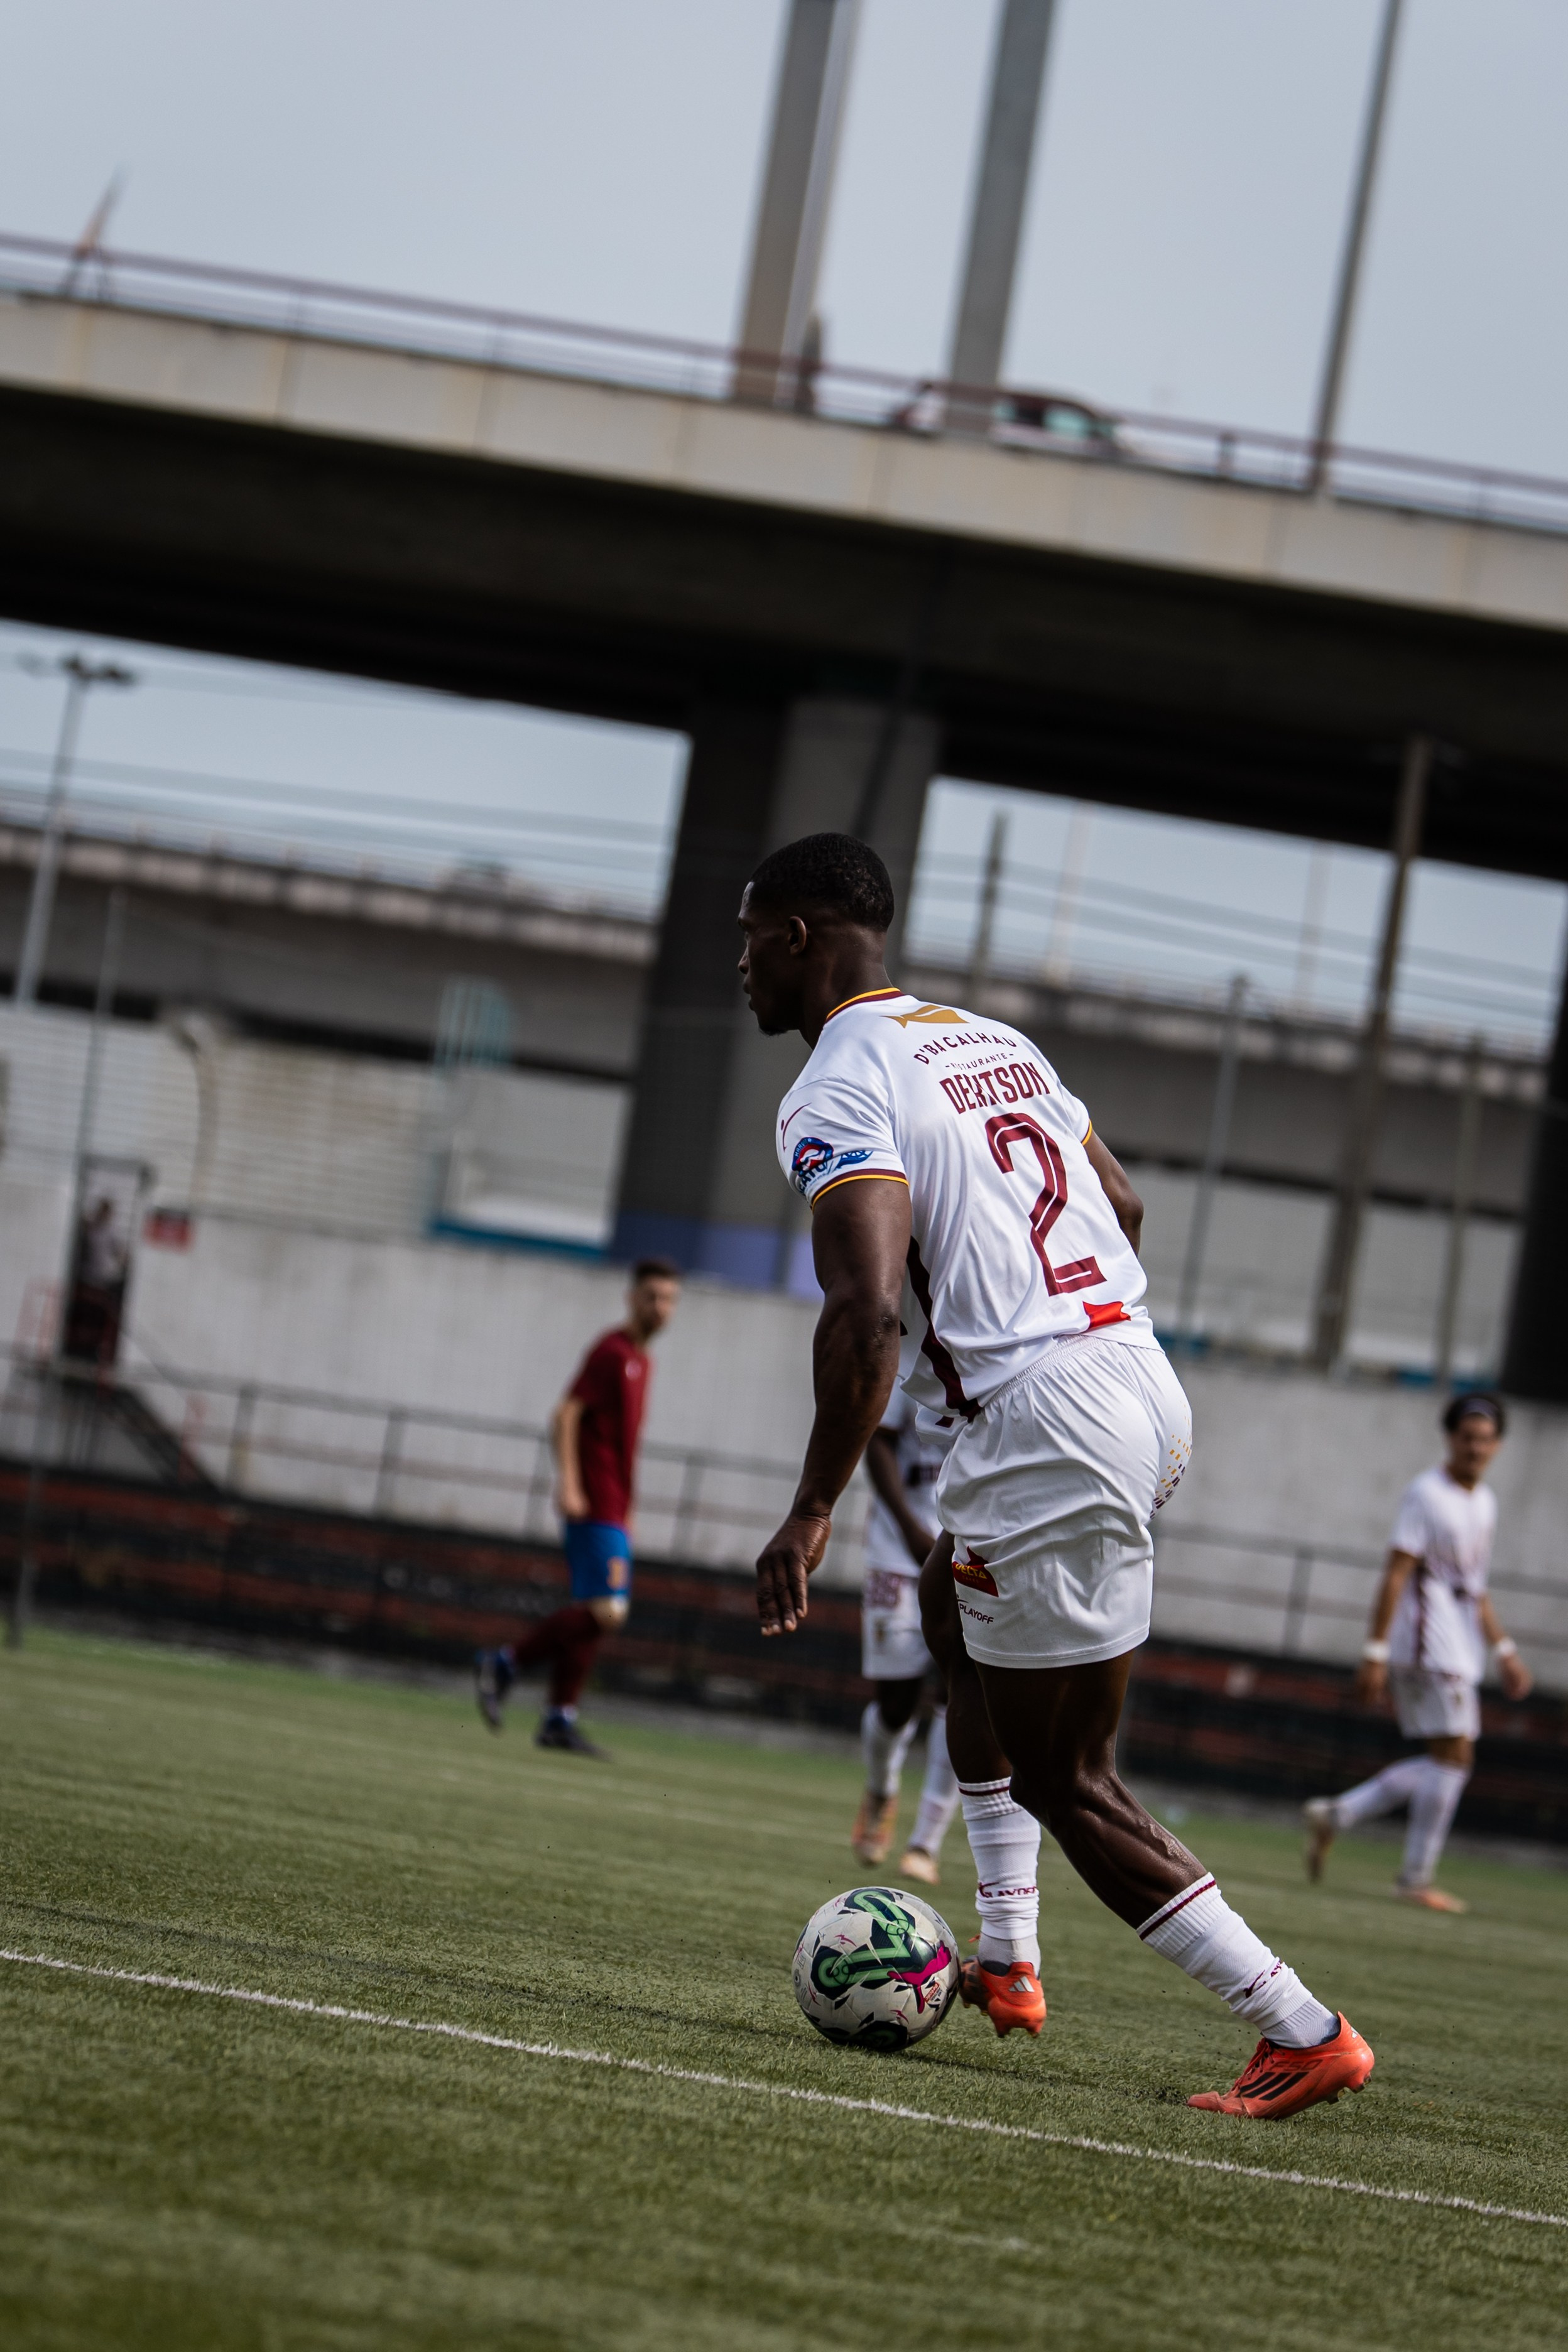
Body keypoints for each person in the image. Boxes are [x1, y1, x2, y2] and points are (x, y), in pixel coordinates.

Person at [741, 830, 1374, 2119]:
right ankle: (1012, 1957)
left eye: (749, 938)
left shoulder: (835, 1084)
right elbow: (1124, 1208)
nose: (739, 966)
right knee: (945, 1602)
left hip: (1047, 1426)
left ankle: (1299, 2028)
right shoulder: (992, 1040)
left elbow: (866, 1314)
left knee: (1069, 1777)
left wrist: (810, 1509)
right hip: (1134, 1378)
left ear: (799, 939)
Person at [1304, 1392, 1530, 1912]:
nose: (1476, 1448)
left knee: (1447, 1760)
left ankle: (1338, 1815)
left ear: (1497, 1445)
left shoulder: (1484, 1503)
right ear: (1451, 1439)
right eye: (1467, 1437)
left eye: (1485, 1439)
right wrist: (1375, 1650)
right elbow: (1397, 1573)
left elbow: (1475, 1588)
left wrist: (1505, 1650)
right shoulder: (1426, 1495)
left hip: (1459, 1640)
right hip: (1430, 1644)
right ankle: (1413, 1877)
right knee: (1456, 1758)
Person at [475, 1258, 681, 1753]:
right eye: (652, 1296)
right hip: (594, 1501)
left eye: (670, 1299)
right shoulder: (611, 1352)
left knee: (592, 1607)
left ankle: (558, 1718)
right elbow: (565, 1414)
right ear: (632, 1298)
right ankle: (504, 1662)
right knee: (608, 1610)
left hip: (614, 1504)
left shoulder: (641, 1360)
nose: (661, 1307)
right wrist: (570, 1482)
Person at [852, 1388, 961, 1883]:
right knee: (896, 1703)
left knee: (960, 1693)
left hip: (968, 1550)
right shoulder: (910, 1353)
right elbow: (878, 1442)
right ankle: (881, 1789)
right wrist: (911, 1528)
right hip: (901, 1550)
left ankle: (926, 1842)